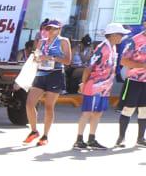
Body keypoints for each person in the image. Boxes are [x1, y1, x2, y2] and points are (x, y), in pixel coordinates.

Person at [76, 24, 125, 150]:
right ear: (113, 35)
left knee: (98, 113)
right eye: (121, 34)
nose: (122, 37)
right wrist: (83, 83)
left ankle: (91, 139)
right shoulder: (102, 48)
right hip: (94, 86)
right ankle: (79, 140)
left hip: (105, 87)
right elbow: (88, 68)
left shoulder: (113, 48)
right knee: (87, 112)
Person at [23, 19, 71, 147]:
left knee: (49, 106)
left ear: (59, 29)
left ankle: (45, 136)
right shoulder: (41, 41)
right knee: (29, 104)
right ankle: (34, 131)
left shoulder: (63, 41)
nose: (50, 31)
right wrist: (37, 58)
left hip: (55, 74)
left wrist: (51, 58)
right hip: (41, 73)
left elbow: (67, 61)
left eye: (54, 28)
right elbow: (36, 57)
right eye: (48, 28)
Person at [115, 22, 146, 148]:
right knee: (128, 109)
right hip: (133, 80)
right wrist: (142, 66)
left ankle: (140, 138)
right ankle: (121, 138)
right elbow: (123, 60)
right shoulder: (135, 40)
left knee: (144, 111)